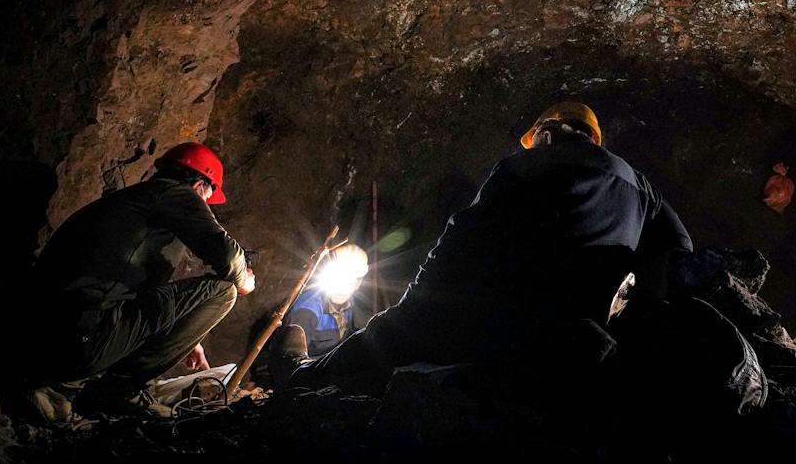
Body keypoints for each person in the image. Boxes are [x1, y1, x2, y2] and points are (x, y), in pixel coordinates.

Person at [292, 101, 692, 398]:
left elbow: (463, 236)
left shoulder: (529, 165)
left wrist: (413, 308)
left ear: (548, 133)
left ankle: (303, 377)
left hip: (513, 323)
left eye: (535, 140)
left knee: (387, 333)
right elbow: (679, 248)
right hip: (587, 331)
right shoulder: (641, 185)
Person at [0, 141, 256, 417]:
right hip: (78, 342)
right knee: (223, 291)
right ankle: (115, 391)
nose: (205, 206)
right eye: (206, 199)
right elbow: (229, 259)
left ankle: (74, 384)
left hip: (42, 336)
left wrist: (189, 339)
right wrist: (246, 281)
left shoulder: (132, 204)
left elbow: (128, 291)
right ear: (198, 186)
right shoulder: (175, 193)